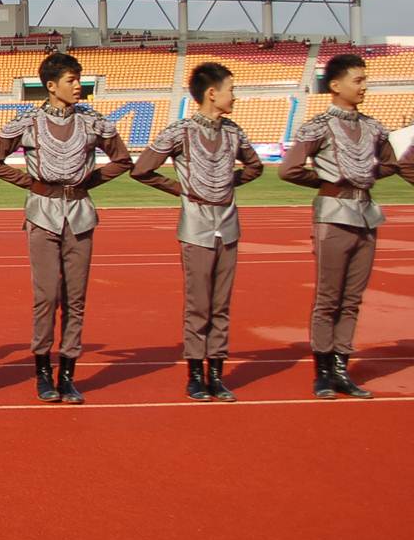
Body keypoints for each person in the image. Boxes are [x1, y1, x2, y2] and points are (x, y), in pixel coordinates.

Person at [0, 51, 133, 404]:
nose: (78, 86)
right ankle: (43, 373)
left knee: (75, 298)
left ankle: (68, 374)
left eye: (79, 79)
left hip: (80, 215)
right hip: (42, 215)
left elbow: (123, 159)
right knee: (46, 296)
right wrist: (31, 183)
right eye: (71, 80)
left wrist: (88, 182)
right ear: (51, 86)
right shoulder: (27, 122)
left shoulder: (94, 122)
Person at [131, 62, 263, 401]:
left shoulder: (233, 132)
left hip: (228, 225)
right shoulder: (180, 131)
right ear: (212, 93)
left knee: (221, 303)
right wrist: (182, 189)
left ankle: (216, 373)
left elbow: (255, 166)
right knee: (198, 303)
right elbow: (142, 169)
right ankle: (194, 375)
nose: (235, 96)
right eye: (231, 89)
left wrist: (227, 184)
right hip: (196, 227)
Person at [279, 53, 399, 399]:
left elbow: (389, 164)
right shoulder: (318, 126)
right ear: (335, 85)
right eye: (358, 80)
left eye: (365, 80)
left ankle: (342, 369)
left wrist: (364, 175)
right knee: (328, 297)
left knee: (352, 298)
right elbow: (289, 169)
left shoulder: (374, 127)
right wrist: (328, 181)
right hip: (332, 215)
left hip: (366, 214)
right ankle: (322, 372)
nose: (364, 86)